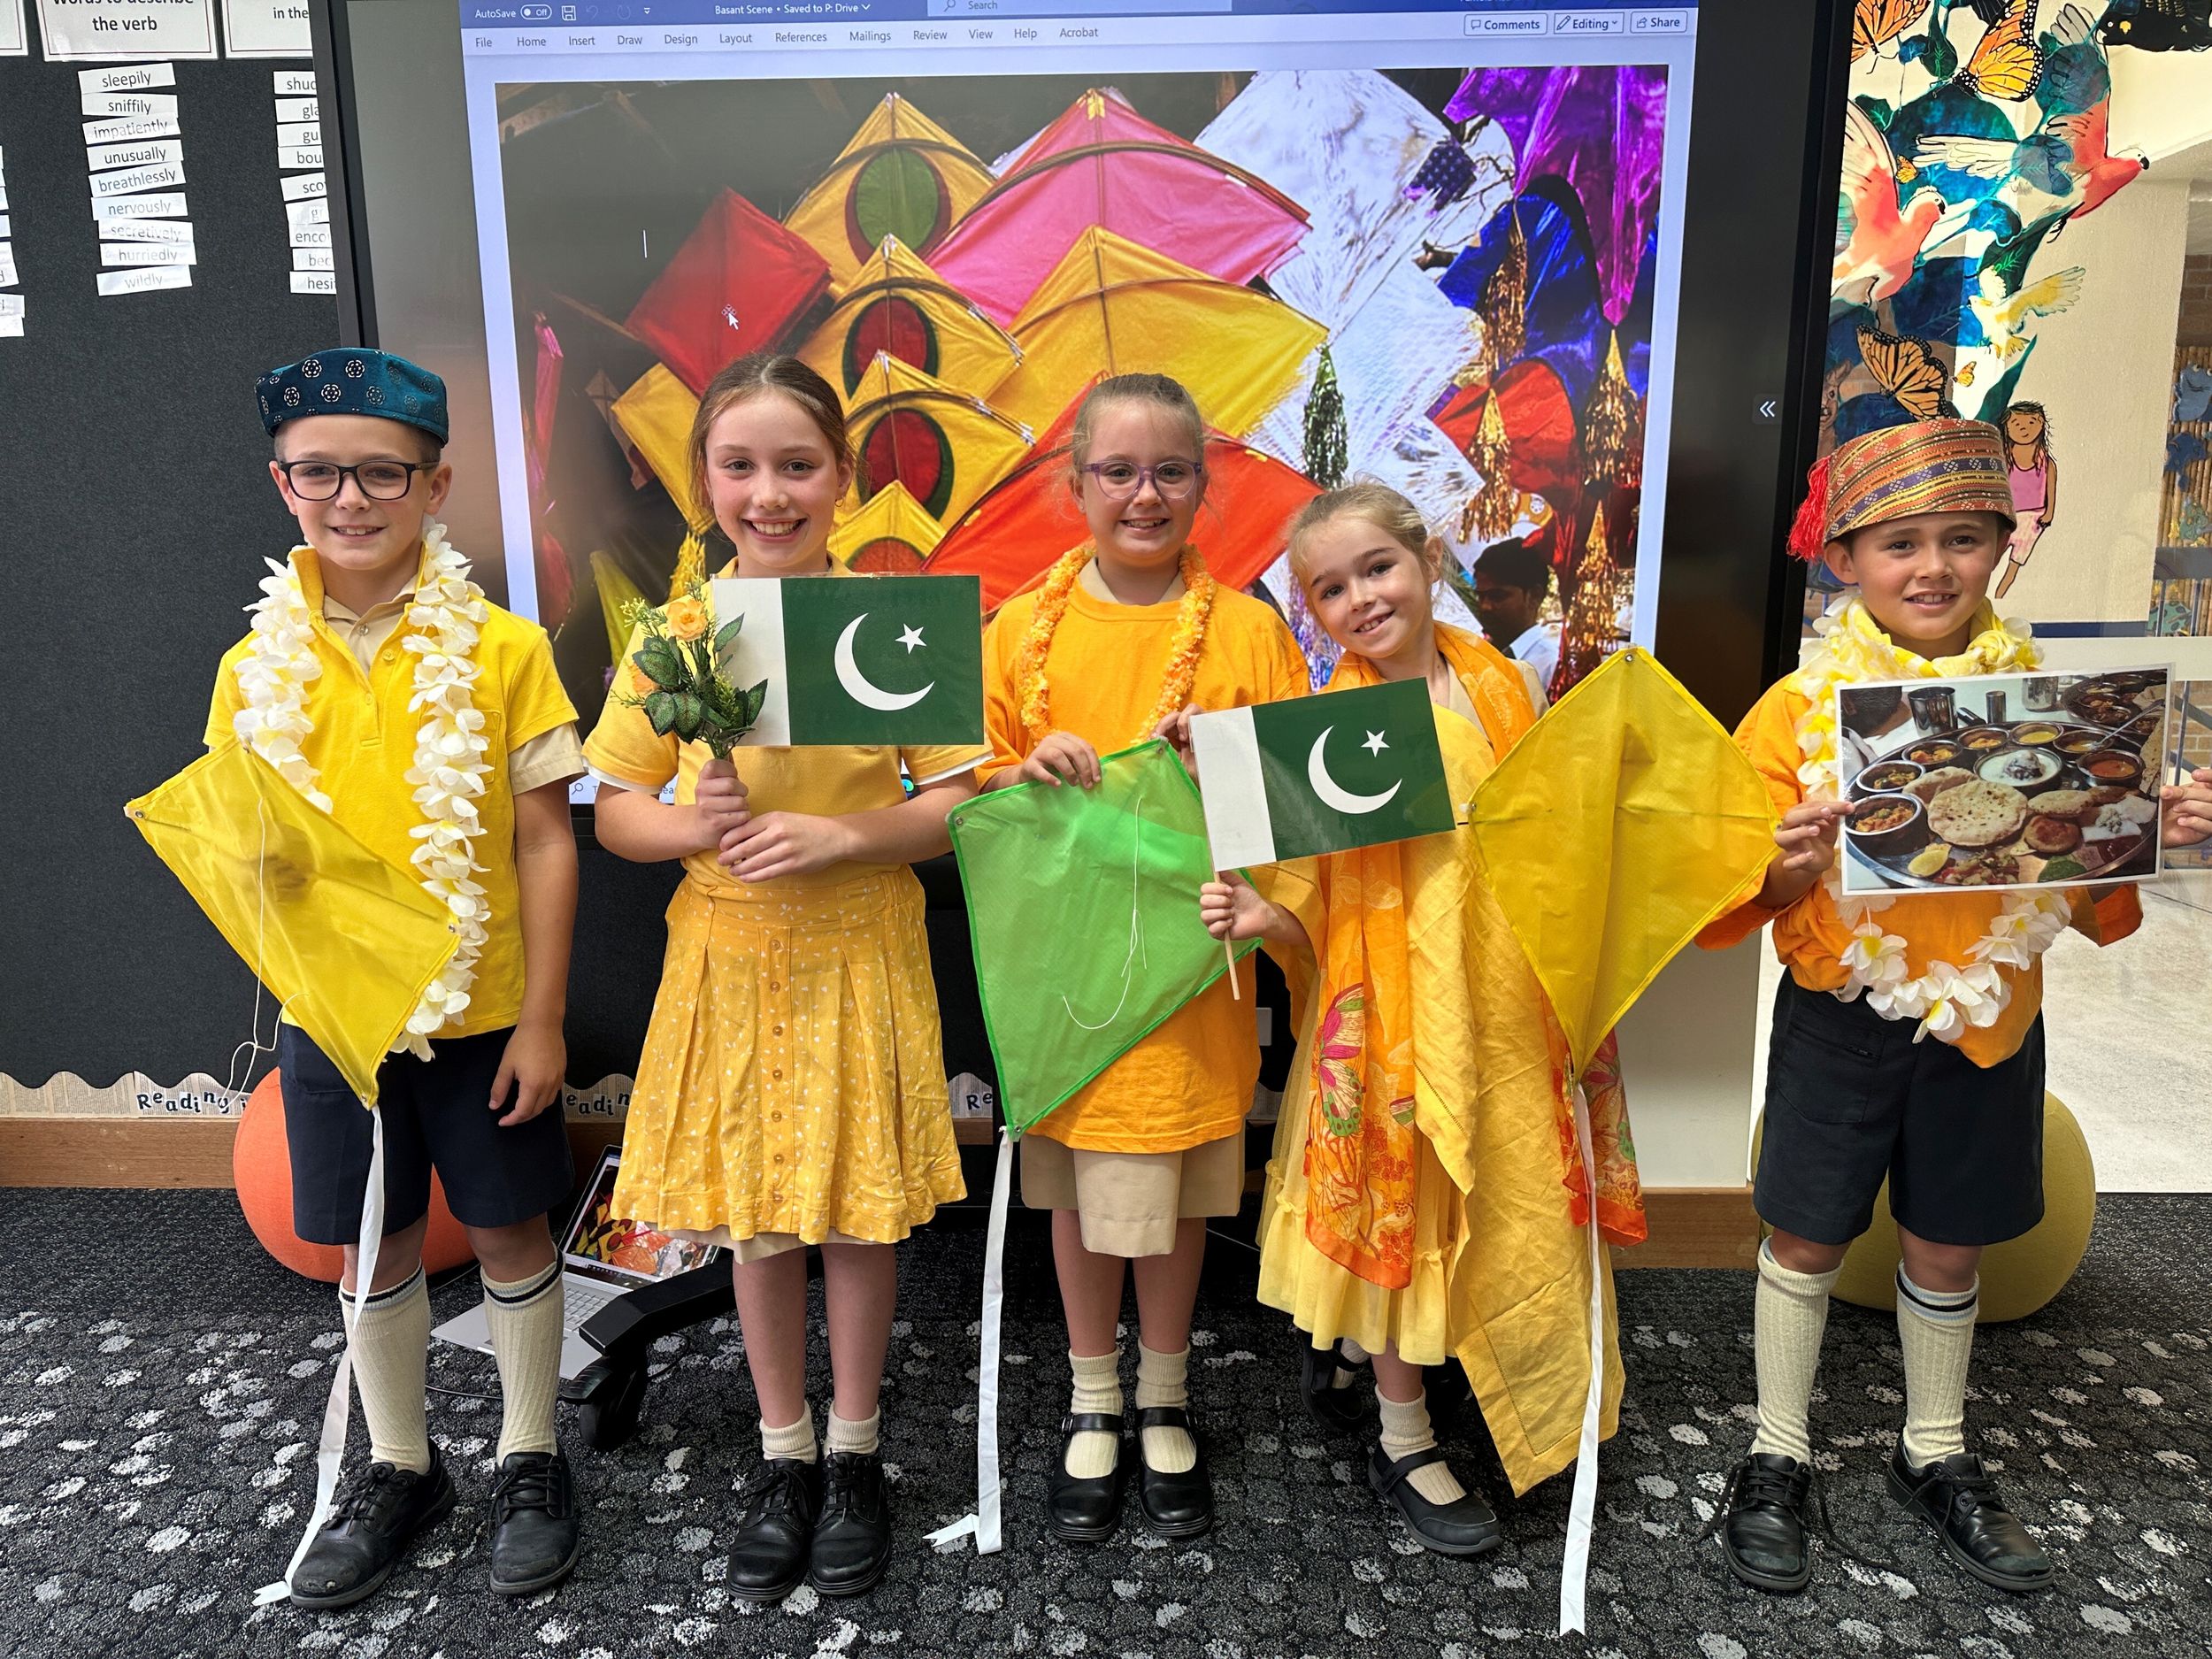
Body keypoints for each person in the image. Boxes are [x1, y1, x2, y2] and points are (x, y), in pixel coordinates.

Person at [1698, 417, 2212, 1596]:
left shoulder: (2055, 708)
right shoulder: (1792, 709)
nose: (1932, 567)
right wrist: (1784, 862)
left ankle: (1932, 1449)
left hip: (1989, 1012)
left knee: (1949, 1236)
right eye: (1900, 544)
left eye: (1963, 540)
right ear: (1844, 559)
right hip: (1843, 1006)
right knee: (1807, 1229)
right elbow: (1733, 890)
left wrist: (2159, 833)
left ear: (2000, 547)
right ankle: (1776, 1449)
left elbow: (2087, 890)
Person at [584, 353, 983, 1603]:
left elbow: (958, 800)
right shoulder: (674, 636)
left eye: (798, 464)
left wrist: (845, 833)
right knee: (758, 1216)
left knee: (857, 1213)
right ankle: (784, 1450)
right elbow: (616, 811)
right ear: (705, 481)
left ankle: (854, 1450)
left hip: (861, 939)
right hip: (733, 951)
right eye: (740, 465)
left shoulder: (892, 623)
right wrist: (689, 825)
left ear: (844, 476)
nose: (770, 492)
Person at [1195, 484, 1642, 1555]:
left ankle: (1480, 1369)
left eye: (1377, 568)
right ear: (1311, 612)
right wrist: (1264, 915)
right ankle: (1403, 1435)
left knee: (1506, 1194)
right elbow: (1310, 894)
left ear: (1430, 559)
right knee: (1407, 1211)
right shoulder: (1320, 728)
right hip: (1395, 1012)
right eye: (1328, 589)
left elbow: (1548, 834)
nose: (1360, 598)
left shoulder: (1502, 683)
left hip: (1504, 1001)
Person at [211, 349, 587, 1606]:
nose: (351, 498)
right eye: (320, 472)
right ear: (282, 485)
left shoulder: (504, 648)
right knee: (368, 1244)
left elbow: (546, 840)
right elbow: (243, 844)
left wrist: (543, 1017)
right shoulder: (252, 667)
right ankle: (402, 1465)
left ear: (436, 485)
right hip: (338, 1016)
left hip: (485, 1010)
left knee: (508, 1224)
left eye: (382, 472)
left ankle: (530, 1454)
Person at [978, 372, 1311, 1544]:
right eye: (1116, 471)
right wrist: (1022, 769)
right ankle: (1093, 1394)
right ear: (1074, 485)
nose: (1143, 494)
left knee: (1174, 1192)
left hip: (1192, 966)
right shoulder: (1020, 629)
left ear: (1203, 487)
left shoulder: (1250, 632)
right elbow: (970, 790)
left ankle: (1163, 1391)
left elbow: (1291, 803)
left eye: (1170, 471)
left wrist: (1219, 762)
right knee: (1078, 1190)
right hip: (1070, 971)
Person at [1471, 536, 1562, 694]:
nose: (1485, 606)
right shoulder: (1477, 655)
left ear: (1534, 596)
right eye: (1480, 596)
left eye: (1497, 596)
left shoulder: (1549, 666)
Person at [1993, 402, 2056, 602]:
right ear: (2006, 427)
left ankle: (1999, 599)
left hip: (2032, 520)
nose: (2024, 428)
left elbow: (2051, 489)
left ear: (2041, 423)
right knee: (1989, 562)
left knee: (2013, 566)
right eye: (2017, 423)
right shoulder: (2004, 459)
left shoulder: (2045, 462)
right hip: (2007, 518)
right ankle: (1987, 602)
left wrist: (2048, 513)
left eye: (2031, 422)